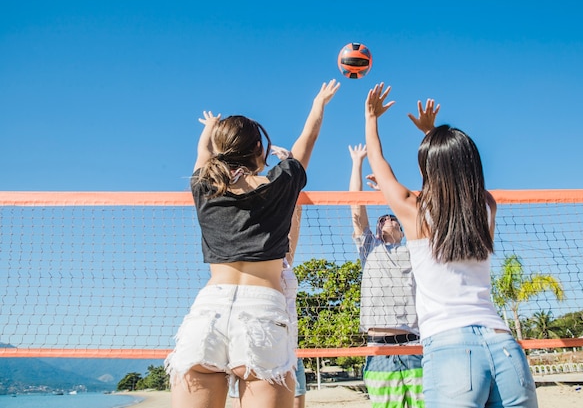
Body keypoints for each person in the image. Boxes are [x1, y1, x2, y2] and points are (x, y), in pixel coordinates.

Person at [165, 79, 340, 408]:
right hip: (262, 312)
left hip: (209, 312)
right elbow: (308, 140)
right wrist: (319, 104)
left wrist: (210, 128)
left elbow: (204, 154)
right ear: (260, 150)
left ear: (218, 151)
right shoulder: (281, 180)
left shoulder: (205, 184)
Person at [363, 82, 538, 408]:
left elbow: (378, 160)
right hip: (504, 346)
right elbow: (454, 179)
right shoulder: (486, 206)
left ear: (428, 167)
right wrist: (433, 133)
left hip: (451, 348)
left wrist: (370, 117)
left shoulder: (413, 210)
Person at [230, 151, 308, 408]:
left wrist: (291, 168)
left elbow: (290, 219)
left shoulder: (282, 260)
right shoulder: (242, 258)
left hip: (285, 341)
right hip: (254, 336)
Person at [348, 143, 424, 408]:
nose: (386, 220)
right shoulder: (370, 248)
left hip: (415, 346)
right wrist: (357, 163)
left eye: (392, 218)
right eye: (381, 220)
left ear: (403, 231)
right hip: (379, 348)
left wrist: (387, 191)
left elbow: (417, 212)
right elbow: (356, 210)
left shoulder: (414, 249)